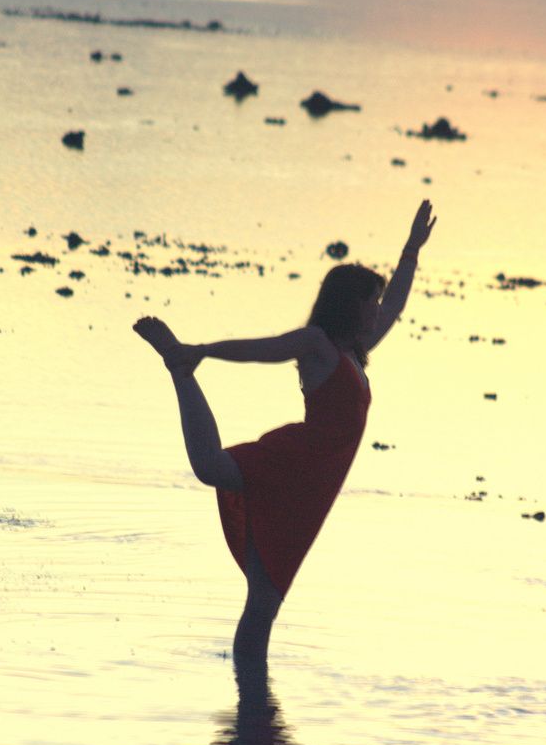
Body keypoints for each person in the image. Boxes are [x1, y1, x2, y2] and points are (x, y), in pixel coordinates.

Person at [133, 198, 436, 663]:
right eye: (369, 302)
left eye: (376, 302)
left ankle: (252, 702)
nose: (378, 310)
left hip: (312, 488)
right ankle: (180, 366)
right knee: (210, 468)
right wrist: (204, 351)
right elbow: (264, 349)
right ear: (350, 307)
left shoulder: (355, 352)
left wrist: (411, 251)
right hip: (296, 466)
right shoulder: (318, 346)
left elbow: (395, 303)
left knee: (263, 604)